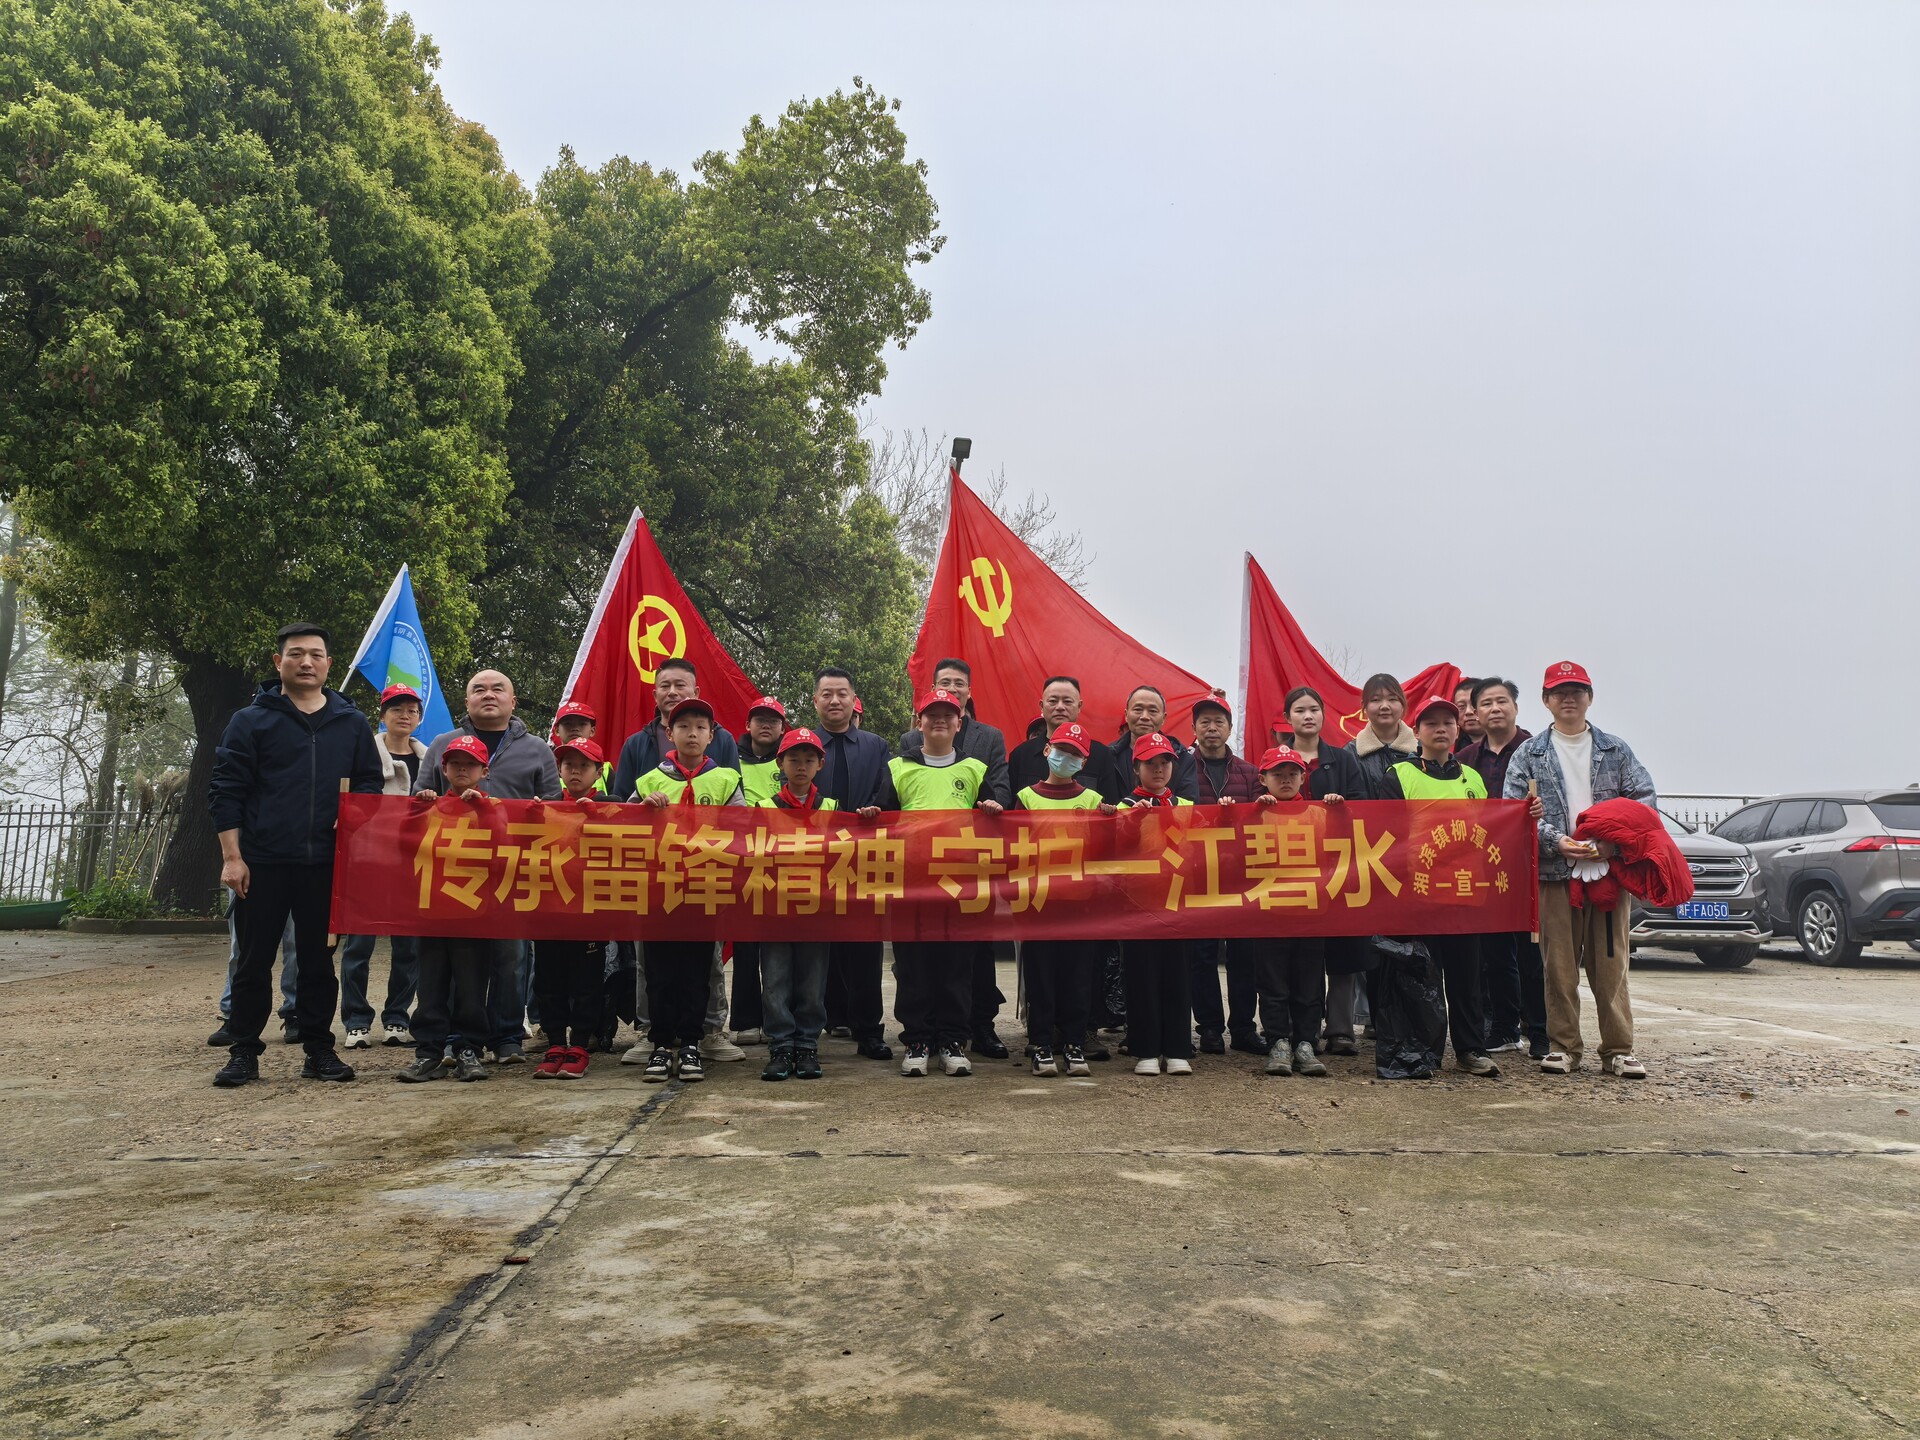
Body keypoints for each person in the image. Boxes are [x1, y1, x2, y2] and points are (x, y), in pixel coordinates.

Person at [207, 622, 383, 1088]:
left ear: (329, 664)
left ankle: (319, 1049)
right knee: (252, 961)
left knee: (318, 964)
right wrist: (232, 857)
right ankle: (244, 1051)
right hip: (261, 862)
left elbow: (369, 781)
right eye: (296, 654)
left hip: (325, 865)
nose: (306, 662)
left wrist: (355, 816)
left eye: (316, 655)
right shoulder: (251, 720)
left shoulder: (351, 722)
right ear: (278, 661)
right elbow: (226, 789)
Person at [1504, 661, 1656, 1079]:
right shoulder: (1529, 754)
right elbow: (1513, 810)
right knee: (1558, 966)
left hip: (1608, 871)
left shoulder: (1615, 750)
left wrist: (1611, 843)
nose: (1568, 698)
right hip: (1554, 874)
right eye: (1559, 692)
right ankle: (1563, 1046)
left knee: (1612, 964)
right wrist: (1556, 840)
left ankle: (1619, 1049)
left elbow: (1644, 800)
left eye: (1576, 691)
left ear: (1590, 697)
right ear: (1545, 700)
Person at [418, 670, 560, 1065]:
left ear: (513, 701)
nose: (488, 694)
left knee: (511, 957)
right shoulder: (442, 744)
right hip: (455, 872)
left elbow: (555, 808)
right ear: (467, 702)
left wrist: (539, 813)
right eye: (478, 689)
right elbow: (417, 802)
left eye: (498, 689)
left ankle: (507, 1036)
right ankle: (457, 1038)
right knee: (457, 957)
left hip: (513, 870)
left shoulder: (537, 749)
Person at [867, 687, 1002, 1077]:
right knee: (913, 965)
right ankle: (917, 1040)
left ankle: (953, 1040)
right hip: (912, 886)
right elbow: (885, 818)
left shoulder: (975, 770)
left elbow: (993, 820)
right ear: (919, 722)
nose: (939, 721)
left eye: (948, 715)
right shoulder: (898, 768)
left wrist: (992, 809)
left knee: (957, 965)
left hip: (960, 886)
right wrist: (873, 814)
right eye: (932, 714)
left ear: (960, 723)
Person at [1377, 696, 1499, 1078]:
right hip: (1419, 893)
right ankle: (1420, 1052)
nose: (1441, 729)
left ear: (1458, 729)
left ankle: (1470, 1049)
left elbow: (1491, 831)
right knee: (1419, 977)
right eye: (1431, 723)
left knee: (1467, 977)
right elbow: (1387, 837)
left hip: (1465, 891)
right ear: (1417, 732)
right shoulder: (1398, 775)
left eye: (1448, 722)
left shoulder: (1473, 779)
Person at [627, 697, 747, 1083]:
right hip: (658, 890)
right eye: (683, 727)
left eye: (700, 727)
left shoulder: (726, 780)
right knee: (658, 971)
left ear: (712, 736)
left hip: (704, 889)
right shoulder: (650, 781)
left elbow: (743, 829)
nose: (691, 734)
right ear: (669, 733)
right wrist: (643, 809)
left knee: (699, 970)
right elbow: (624, 828)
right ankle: (661, 1043)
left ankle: (693, 1041)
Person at [899, 658, 1013, 1059]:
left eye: (958, 683)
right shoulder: (907, 747)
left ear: (967, 697)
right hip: (918, 870)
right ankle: (922, 1033)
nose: (952, 688)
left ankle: (974, 1028)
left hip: (969, 864)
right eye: (944, 682)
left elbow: (1000, 786)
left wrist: (992, 806)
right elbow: (895, 804)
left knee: (972, 953)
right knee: (918, 955)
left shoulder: (989, 740)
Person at [1014, 721, 1114, 1078]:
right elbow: (1013, 847)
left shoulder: (1093, 801)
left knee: (1078, 977)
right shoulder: (1026, 797)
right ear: (1047, 750)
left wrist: (1111, 819)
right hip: (1039, 903)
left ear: (1084, 762)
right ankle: (1041, 1044)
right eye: (1061, 750)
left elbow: (1105, 850)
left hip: (1080, 907)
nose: (1066, 758)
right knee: (1040, 977)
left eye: (1075, 754)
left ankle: (1074, 1043)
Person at [396, 736, 497, 1084]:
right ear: (444, 768)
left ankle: (469, 1049)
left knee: (471, 987)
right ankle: (429, 1052)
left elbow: (508, 845)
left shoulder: (494, 807)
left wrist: (484, 810)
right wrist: (417, 809)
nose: (462, 770)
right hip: (433, 911)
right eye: (455, 764)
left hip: (474, 913)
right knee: (431, 986)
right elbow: (403, 843)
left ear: (484, 771)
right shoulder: (431, 805)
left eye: (470, 764)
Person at [1456, 677, 1547, 1058]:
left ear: (1516, 707)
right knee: (1494, 954)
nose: (1495, 709)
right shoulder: (1465, 760)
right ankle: (1505, 1028)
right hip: (1482, 868)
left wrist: (1540, 811)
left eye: (1502, 701)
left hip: (1526, 866)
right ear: (1475, 712)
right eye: (1486, 703)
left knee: (1531, 954)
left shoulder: (1537, 751)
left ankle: (1541, 1032)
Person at [338, 683, 428, 1050]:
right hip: (367, 863)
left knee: (409, 947)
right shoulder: (363, 755)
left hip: (413, 865)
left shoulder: (429, 760)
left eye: (412, 710)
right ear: (382, 715)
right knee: (358, 945)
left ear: (419, 719)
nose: (404, 715)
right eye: (396, 709)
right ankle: (356, 1021)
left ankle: (397, 1018)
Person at [811, 667, 894, 1061]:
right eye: (827, 694)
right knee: (817, 946)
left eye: (841, 693)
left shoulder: (876, 746)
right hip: (813, 859)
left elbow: (886, 793)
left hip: (863, 858)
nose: (835, 700)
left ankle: (869, 1030)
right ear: (815, 701)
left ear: (853, 699)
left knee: (865, 948)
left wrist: (872, 812)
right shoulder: (805, 744)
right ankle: (815, 1026)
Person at [755, 726, 838, 1082]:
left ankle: (806, 1044)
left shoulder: (832, 808)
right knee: (774, 980)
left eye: (808, 759)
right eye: (793, 759)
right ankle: (780, 1045)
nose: (801, 766)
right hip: (774, 909)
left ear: (820, 764)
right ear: (780, 764)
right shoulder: (763, 808)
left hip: (816, 911)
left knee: (812, 983)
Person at [1187, 690, 1265, 1056]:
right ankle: (1209, 1029)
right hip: (1198, 876)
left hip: (1241, 877)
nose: (1212, 728)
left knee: (1244, 956)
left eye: (1219, 721)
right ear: (1194, 728)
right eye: (1204, 722)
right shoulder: (1181, 768)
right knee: (1202, 955)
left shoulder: (1249, 773)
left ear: (1230, 728)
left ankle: (1244, 1028)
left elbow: (1261, 820)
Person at [531, 737, 613, 1080]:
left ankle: (579, 1045)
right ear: (559, 770)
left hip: (590, 912)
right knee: (548, 980)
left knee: (586, 982)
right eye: (568, 765)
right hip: (550, 909)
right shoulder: (545, 805)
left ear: (598, 771)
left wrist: (600, 819)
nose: (575, 771)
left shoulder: (614, 807)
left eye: (583, 766)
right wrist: (530, 817)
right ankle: (554, 1043)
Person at [1118, 731, 1196, 1076]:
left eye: (1165, 762)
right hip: (1139, 906)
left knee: (1178, 976)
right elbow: (1114, 851)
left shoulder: (1187, 807)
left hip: (1178, 905)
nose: (1159, 769)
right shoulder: (1123, 807)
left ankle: (1178, 1048)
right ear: (1137, 768)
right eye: (1151, 763)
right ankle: (1146, 1049)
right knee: (1142, 977)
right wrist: (1132, 822)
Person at [1250, 746, 1330, 1077]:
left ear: (1303, 777)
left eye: (1292, 774)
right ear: (1263, 779)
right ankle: (1278, 1042)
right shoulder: (1254, 814)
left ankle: (1306, 1042)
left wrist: (1340, 810)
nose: (1286, 780)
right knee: (1272, 985)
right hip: (1269, 914)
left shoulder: (1319, 813)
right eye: (1277, 774)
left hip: (1310, 913)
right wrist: (1242, 813)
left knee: (1309, 984)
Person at [729, 695, 789, 1045]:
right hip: (743, 863)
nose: (766, 725)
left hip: (783, 864)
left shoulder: (791, 760)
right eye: (760, 719)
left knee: (780, 948)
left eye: (773, 720)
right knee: (747, 945)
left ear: (782, 728)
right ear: (748, 725)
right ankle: (747, 1020)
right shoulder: (730, 761)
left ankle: (780, 1017)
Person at [1009, 675, 1119, 801]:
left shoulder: (1101, 755)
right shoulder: (1021, 755)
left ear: (1079, 706)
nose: (1060, 707)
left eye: (1067, 701)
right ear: (1041, 706)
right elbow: (1012, 807)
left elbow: (1110, 805)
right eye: (1053, 701)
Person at [1114, 686, 1199, 801]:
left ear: (1163, 718)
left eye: (1153, 711)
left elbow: (1189, 808)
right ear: (1126, 715)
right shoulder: (1109, 756)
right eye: (1138, 709)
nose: (1144, 717)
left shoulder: (1182, 758)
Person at [1347, 673, 1418, 799]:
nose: (1385, 706)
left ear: (1402, 705)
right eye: (1376, 700)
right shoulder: (1350, 754)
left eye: (1392, 699)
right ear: (1364, 706)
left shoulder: (1421, 751)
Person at [550, 700, 612, 792]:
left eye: (582, 724)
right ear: (557, 730)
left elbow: (620, 800)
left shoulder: (606, 772)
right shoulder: (546, 767)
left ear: (592, 731)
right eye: (568, 723)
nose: (575, 728)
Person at [1453, 678, 1486, 751]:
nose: (1468, 712)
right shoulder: (1448, 748)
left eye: (1474, 705)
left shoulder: (1509, 744)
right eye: (1461, 706)